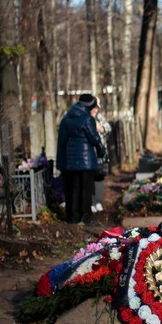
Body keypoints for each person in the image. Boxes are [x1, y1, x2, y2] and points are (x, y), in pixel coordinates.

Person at [56, 93, 106, 225]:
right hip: (86, 160)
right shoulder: (87, 119)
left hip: (70, 160)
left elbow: (63, 139)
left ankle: (72, 217)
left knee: (73, 189)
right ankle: (86, 218)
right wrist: (101, 149)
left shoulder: (67, 118)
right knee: (86, 190)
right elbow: (94, 138)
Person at [91, 104, 111, 213]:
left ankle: (97, 201)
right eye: (92, 108)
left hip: (100, 153)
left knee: (99, 177)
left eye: (96, 108)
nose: (94, 110)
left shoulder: (99, 118)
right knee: (89, 178)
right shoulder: (85, 118)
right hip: (89, 153)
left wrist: (101, 129)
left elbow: (108, 129)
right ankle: (91, 201)